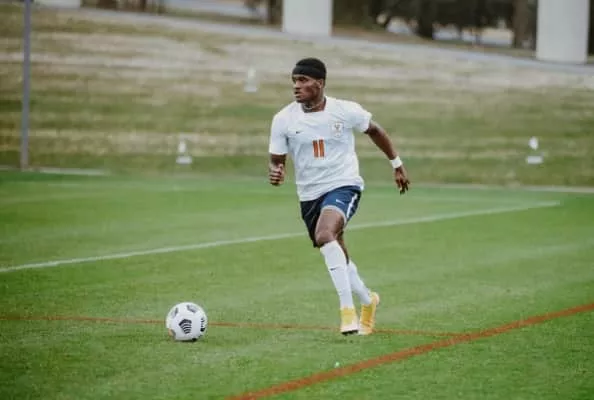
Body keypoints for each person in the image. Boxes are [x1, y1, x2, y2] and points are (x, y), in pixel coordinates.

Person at [268, 57, 410, 336]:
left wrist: (397, 164)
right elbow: (276, 159)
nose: (296, 86)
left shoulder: (345, 110)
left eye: (303, 80)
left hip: (344, 184)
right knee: (334, 248)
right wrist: (276, 171)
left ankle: (347, 312)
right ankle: (368, 300)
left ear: (319, 83)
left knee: (325, 234)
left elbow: (375, 130)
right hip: (309, 194)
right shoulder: (283, 119)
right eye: (294, 81)